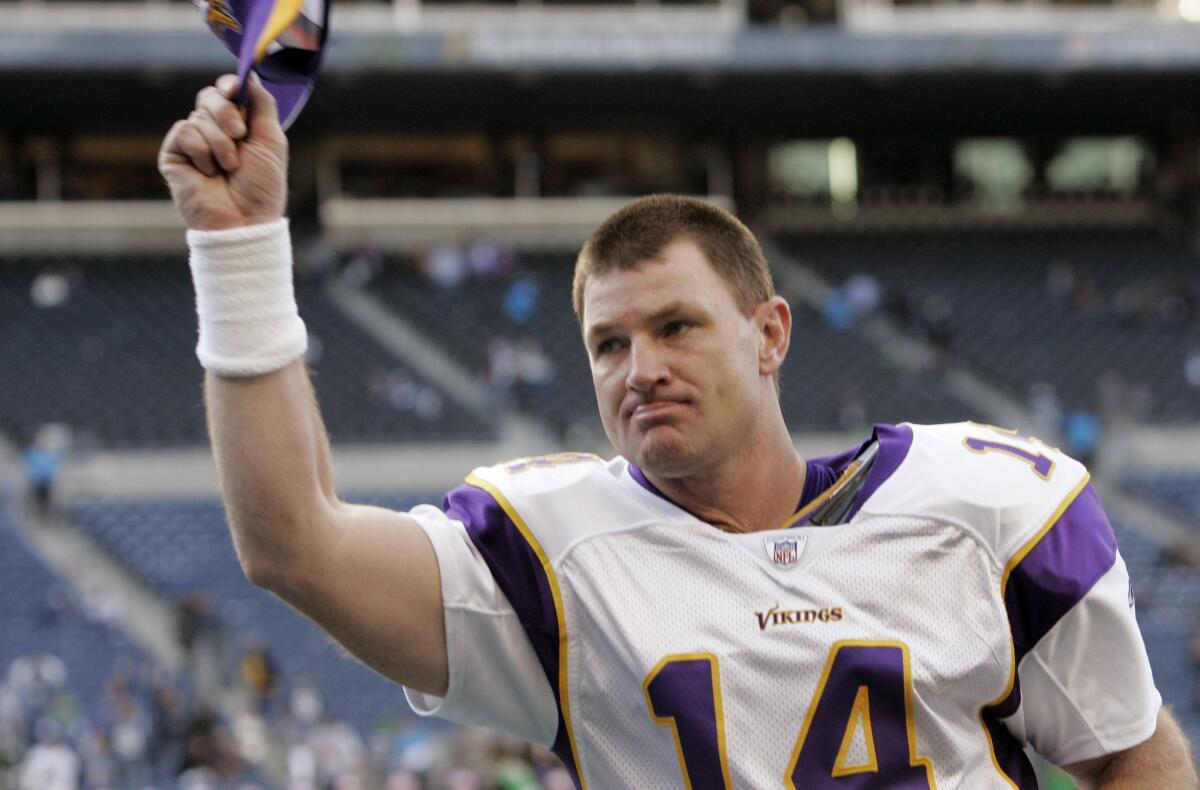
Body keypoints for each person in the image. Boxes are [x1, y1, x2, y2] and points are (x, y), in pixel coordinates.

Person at [158, 73, 1198, 788]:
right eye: (607, 344)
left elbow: (1130, 750)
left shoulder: (992, 507)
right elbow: (292, 541)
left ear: (769, 333)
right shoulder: (555, 553)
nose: (640, 366)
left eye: (675, 326)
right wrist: (238, 242)